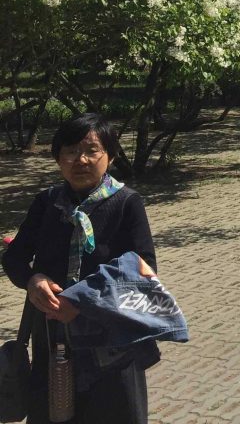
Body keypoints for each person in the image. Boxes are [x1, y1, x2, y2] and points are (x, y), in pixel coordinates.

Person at [2, 113, 159, 424]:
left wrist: (82, 303)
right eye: (71, 151)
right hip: (53, 338)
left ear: (111, 157)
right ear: (59, 158)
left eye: (92, 150)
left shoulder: (126, 203)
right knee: (54, 414)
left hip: (112, 342)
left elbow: (144, 269)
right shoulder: (48, 203)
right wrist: (33, 279)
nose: (81, 160)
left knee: (115, 414)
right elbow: (14, 257)